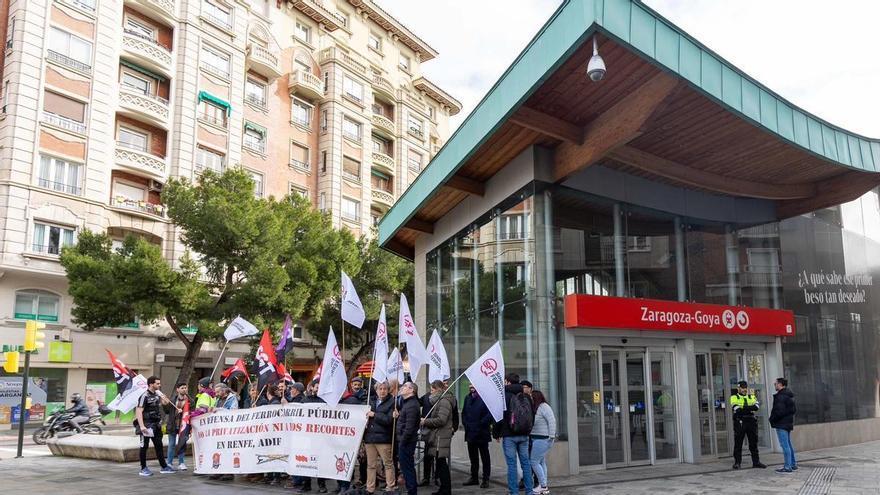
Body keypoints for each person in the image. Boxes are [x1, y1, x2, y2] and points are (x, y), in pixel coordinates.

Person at [493, 373, 534, 495]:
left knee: (512, 465)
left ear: (508, 382)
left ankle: (513, 492)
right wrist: (528, 431)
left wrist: (496, 433)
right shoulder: (526, 396)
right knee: (526, 463)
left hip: (509, 435)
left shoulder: (504, 396)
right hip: (524, 435)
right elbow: (532, 415)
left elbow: (499, 417)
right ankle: (529, 491)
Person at [135, 376, 176, 476]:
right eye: (157, 383)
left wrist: (165, 400)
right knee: (144, 446)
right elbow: (139, 411)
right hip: (147, 424)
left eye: (159, 383)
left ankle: (164, 466)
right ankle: (143, 468)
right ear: (151, 384)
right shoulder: (144, 396)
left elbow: (164, 405)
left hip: (156, 425)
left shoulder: (158, 395)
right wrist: (142, 426)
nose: (159, 385)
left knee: (159, 446)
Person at [421, 380, 456, 495]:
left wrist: (426, 421)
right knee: (440, 463)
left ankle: (446, 490)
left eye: (432, 390)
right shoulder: (440, 401)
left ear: (438, 389)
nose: (430, 393)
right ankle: (443, 488)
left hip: (441, 436)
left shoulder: (444, 402)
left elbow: (441, 420)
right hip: (438, 435)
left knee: (442, 463)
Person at [364, 381, 396, 495]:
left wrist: (375, 415)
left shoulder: (392, 402)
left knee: (387, 463)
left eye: (384, 389)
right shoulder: (370, 401)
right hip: (370, 438)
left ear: (388, 390)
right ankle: (370, 488)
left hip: (384, 438)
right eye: (380, 389)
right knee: (371, 465)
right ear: (376, 390)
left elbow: (389, 420)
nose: (382, 391)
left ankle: (390, 487)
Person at [729, 380, 766, 470]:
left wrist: (743, 407)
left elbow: (756, 407)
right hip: (740, 421)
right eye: (742, 388)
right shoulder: (734, 397)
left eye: (745, 388)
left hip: (751, 421)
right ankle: (737, 463)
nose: (744, 389)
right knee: (738, 443)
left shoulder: (751, 396)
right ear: (738, 388)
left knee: (753, 442)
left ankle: (756, 462)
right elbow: (737, 409)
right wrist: (749, 408)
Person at [462, 384, 492, 488]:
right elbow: (464, 413)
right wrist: (466, 424)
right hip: (470, 433)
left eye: (473, 384)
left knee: (485, 457)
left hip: (482, 433)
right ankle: (474, 477)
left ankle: (485, 479)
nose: (471, 386)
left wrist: (479, 424)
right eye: (469, 384)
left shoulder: (485, 397)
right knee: (473, 457)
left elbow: (489, 414)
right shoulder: (467, 397)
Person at [395, 381, 421, 495]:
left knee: (408, 468)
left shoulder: (412, 405)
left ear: (412, 390)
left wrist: (402, 442)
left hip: (406, 442)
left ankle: (412, 491)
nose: (402, 387)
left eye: (405, 386)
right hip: (405, 441)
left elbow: (409, 428)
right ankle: (411, 490)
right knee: (406, 468)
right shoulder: (407, 403)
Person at [529, 391, 556, 495]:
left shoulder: (544, 407)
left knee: (534, 462)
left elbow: (552, 421)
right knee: (541, 462)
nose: (530, 398)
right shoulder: (535, 408)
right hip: (536, 438)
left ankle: (543, 486)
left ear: (536, 397)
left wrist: (552, 436)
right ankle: (543, 485)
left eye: (532, 397)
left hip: (543, 439)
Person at [769, 377, 797, 474]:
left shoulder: (781, 396)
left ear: (780, 384)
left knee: (785, 445)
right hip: (787, 423)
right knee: (788, 444)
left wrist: (772, 419)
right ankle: (793, 464)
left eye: (775, 384)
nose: (775, 385)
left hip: (781, 424)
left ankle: (788, 466)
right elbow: (793, 410)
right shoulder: (789, 395)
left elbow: (779, 411)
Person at [164, 382, 192, 471]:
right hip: (173, 425)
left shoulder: (190, 401)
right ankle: (169, 462)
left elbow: (192, 412)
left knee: (182, 444)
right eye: (182, 388)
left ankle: (181, 462)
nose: (184, 389)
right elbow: (167, 411)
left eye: (185, 388)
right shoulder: (173, 400)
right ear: (178, 389)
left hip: (183, 426)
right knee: (171, 444)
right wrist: (165, 404)